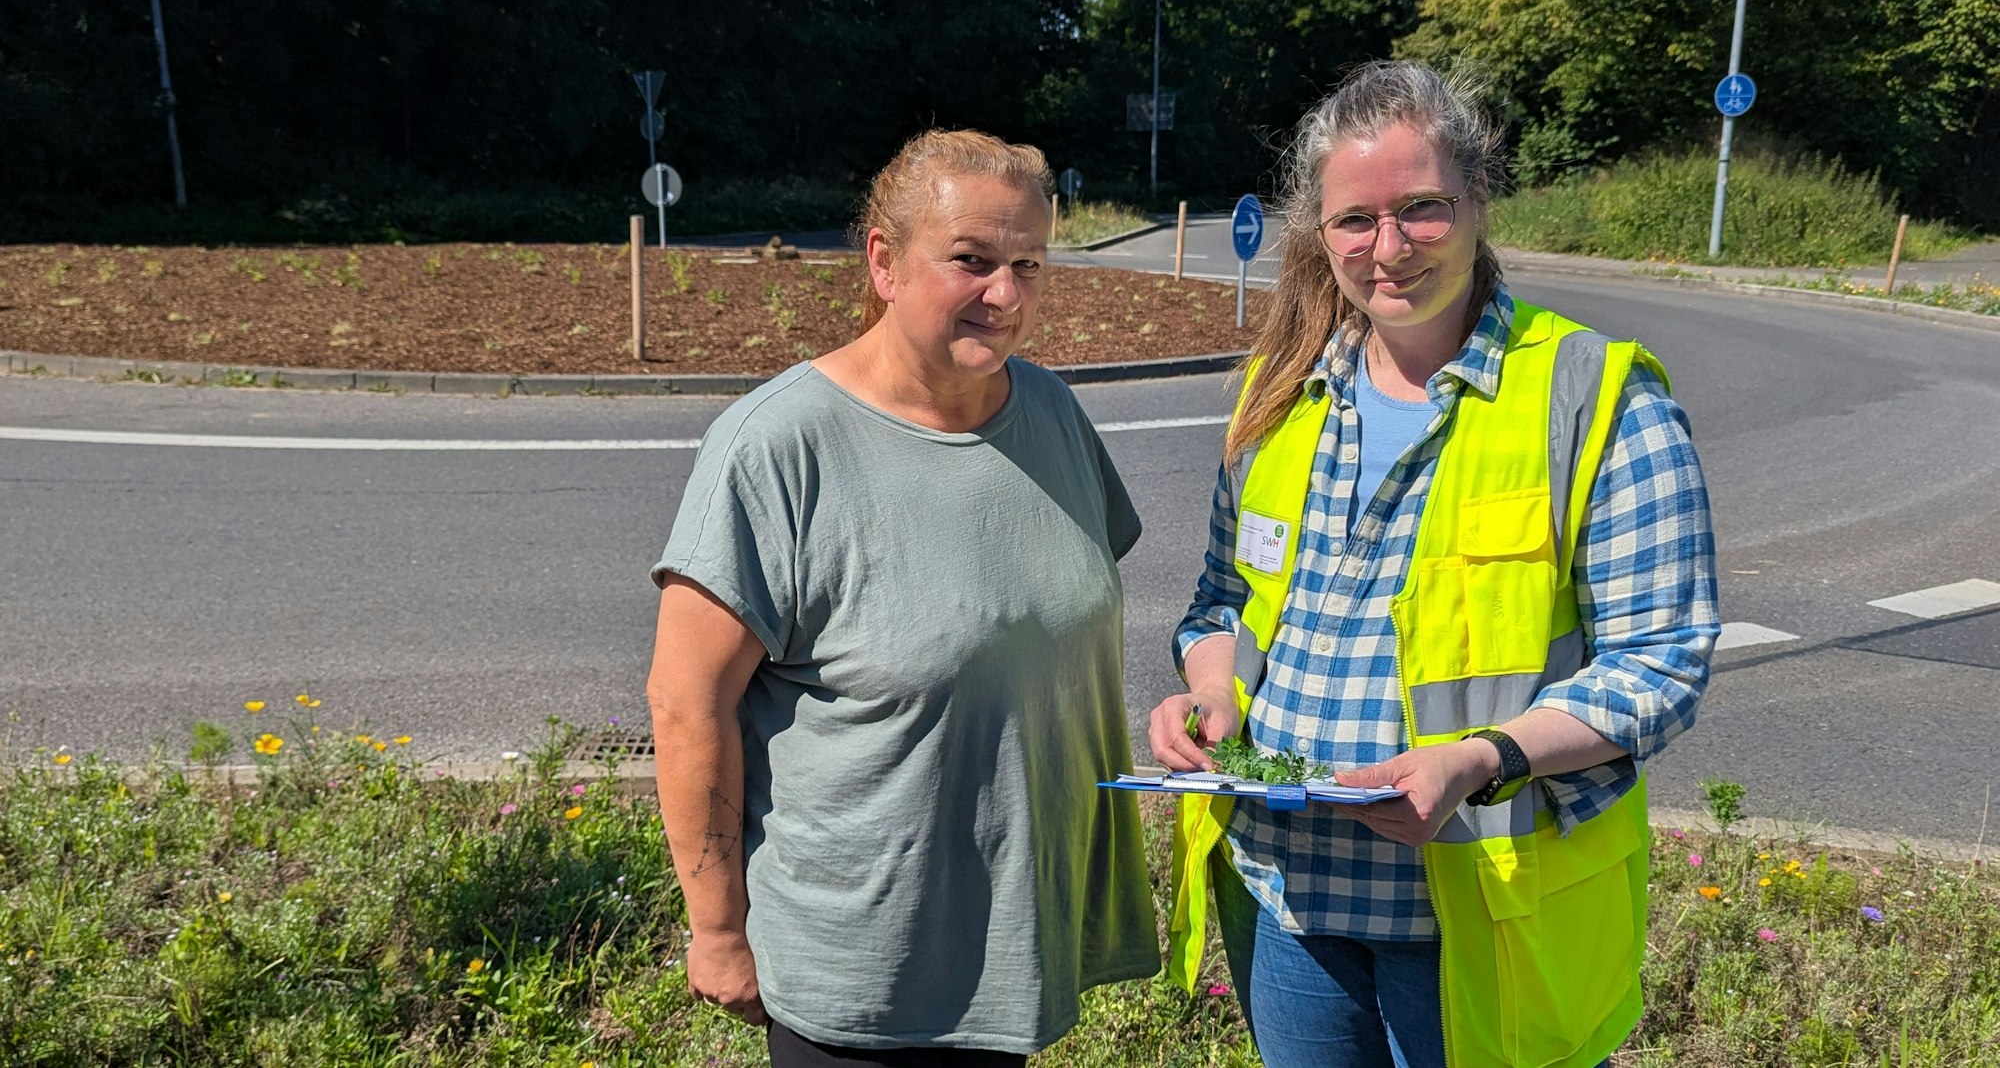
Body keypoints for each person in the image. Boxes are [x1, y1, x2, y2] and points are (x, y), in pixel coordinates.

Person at [1148, 60, 1720, 1068]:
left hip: (1481, 906)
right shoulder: (1277, 398)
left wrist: (1481, 759)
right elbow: (1221, 604)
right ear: (1318, 233)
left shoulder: (1592, 397)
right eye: (1353, 221)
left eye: (1421, 208)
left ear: (1477, 202)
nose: (1388, 248)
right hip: (1289, 899)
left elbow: (1660, 661)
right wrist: (1209, 693)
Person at [646, 129, 1158, 1068]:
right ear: (884, 262)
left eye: (1029, 265)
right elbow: (686, 702)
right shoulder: (777, 447)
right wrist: (716, 928)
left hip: (1014, 953)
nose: (1006, 295)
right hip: (862, 979)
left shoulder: (1051, 412)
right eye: (972, 260)